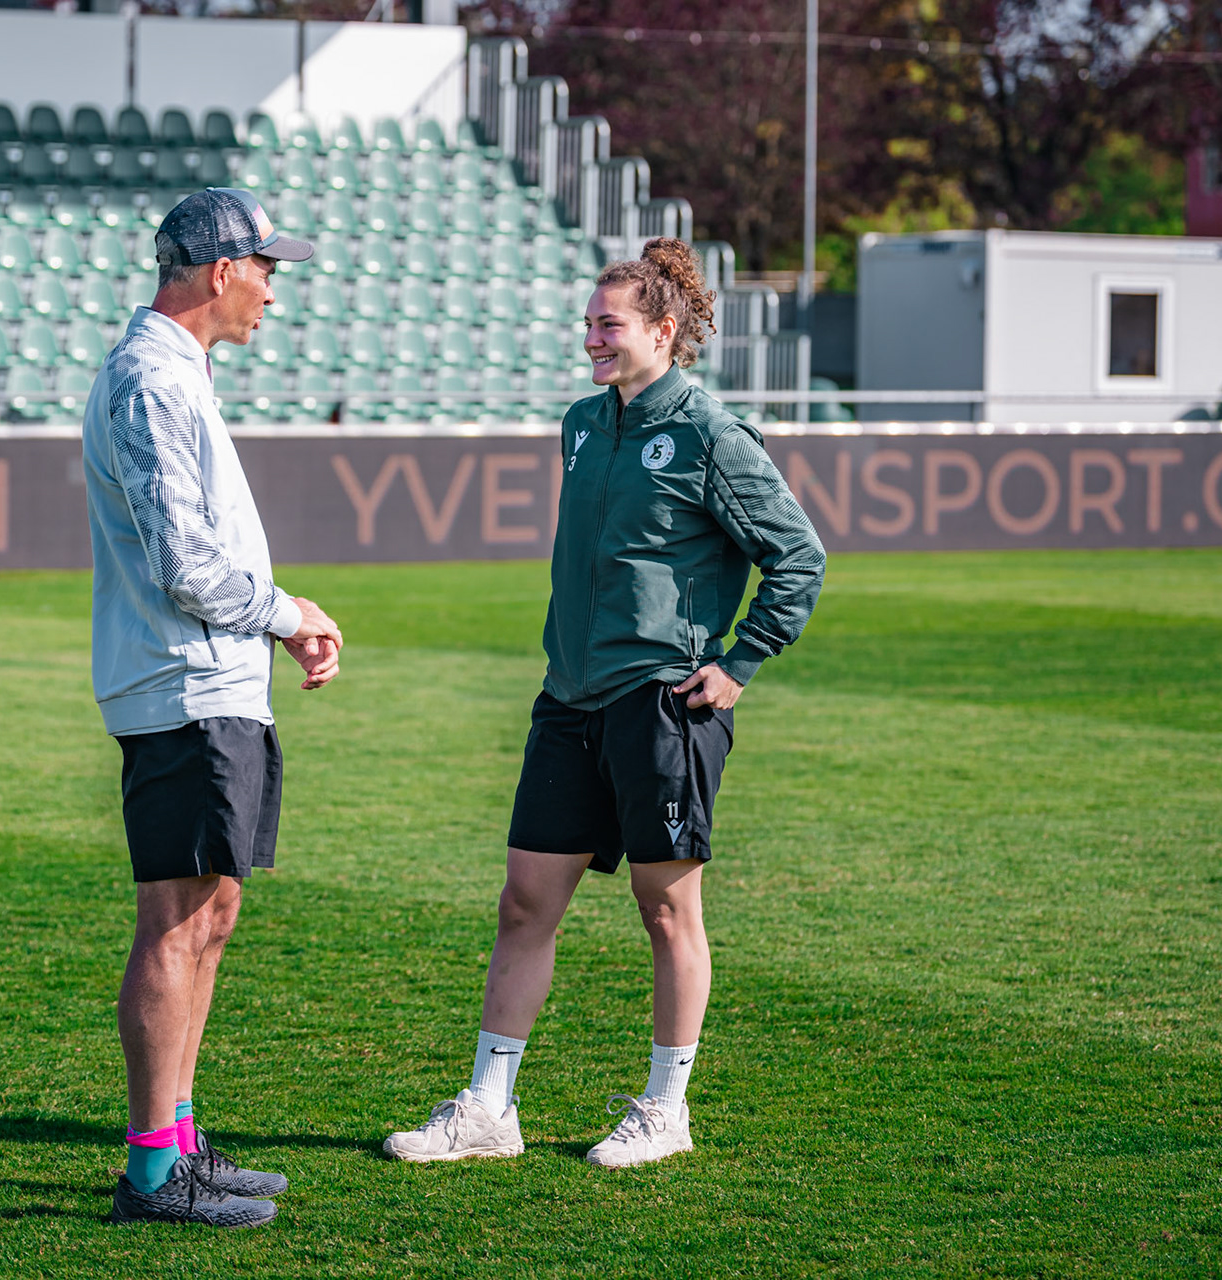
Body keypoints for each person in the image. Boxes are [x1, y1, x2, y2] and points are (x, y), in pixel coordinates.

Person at [382, 239, 826, 1169]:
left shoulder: (712, 435)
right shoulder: (582, 423)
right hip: (568, 701)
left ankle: (668, 1109)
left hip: (662, 705)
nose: (592, 337)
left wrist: (739, 661)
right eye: (588, 323)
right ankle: (489, 1109)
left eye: (608, 324)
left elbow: (798, 557)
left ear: (664, 332)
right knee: (523, 902)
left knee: (666, 911)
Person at [81, 187, 342, 1228]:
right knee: (179, 924)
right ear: (220, 271)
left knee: (209, 915)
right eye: (268, 268)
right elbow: (186, 563)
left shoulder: (172, 374)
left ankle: (179, 1142)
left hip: (205, 682)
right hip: (185, 683)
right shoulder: (152, 378)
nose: (275, 290)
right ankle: (152, 1172)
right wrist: (287, 611)